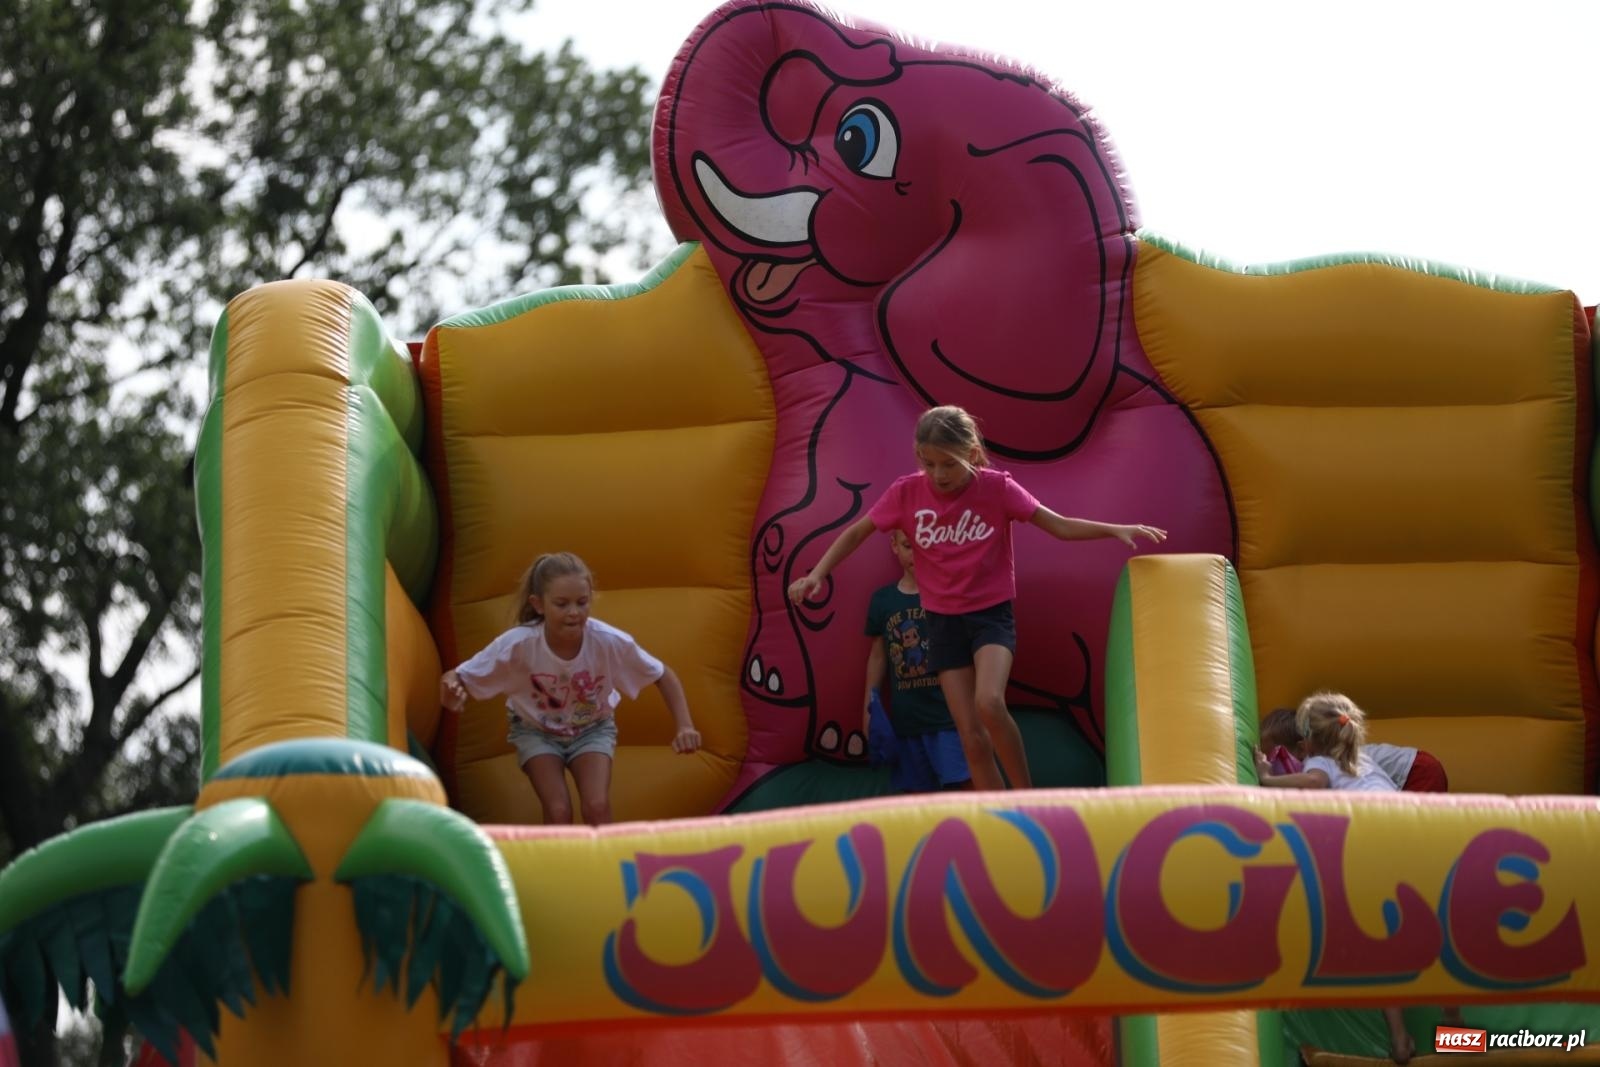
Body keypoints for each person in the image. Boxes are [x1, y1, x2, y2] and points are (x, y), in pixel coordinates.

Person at [788, 404, 1167, 791]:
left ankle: (1027, 796)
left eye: (948, 464)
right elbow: (857, 532)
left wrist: (1115, 529)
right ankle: (999, 812)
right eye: (928, 462)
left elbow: (1059, 526)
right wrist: (816, 574)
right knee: (968, 733)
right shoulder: (906, 493)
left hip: (989, 617)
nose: (938, 474)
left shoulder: (997, 488)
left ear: (971, 453)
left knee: (989, 702)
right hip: (942, 622)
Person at [1254, 691, 1463, 1064]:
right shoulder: (1362, 760)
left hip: (1376, 844)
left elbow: (1314, 785)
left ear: (1305, 744)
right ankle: (1454, 1023)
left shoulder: (1318, 762)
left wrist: (1266, 777)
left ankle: (1400, 1039)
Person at [440, 552, 701, 826]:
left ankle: (606, 865)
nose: (574, 612)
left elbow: (662, 674)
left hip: (593, 728)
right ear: (538, 605)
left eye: (582, 602)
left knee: (596, 805)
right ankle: (557, 867)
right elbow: (457, 675)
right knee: (558, 809)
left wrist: (684, 725)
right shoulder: (518, 644)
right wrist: (451, 689)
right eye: (562, 604)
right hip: (535, 731)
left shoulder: (607, 641)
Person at [865, 529, 972, 792]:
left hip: (948, 720)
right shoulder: (883, 600)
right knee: (916, 799)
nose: (917, 554)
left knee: (962, 787)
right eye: (908, 546)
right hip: (907, 725)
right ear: (894, 546)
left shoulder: (948, 593)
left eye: (923, 546)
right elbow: (878, 656)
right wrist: (869, 705)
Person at [1258, 706, 1449, 792]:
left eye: (1276, 757)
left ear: (1302, 748)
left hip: (1416, 772)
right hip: (1416, 768)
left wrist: (1268, 779)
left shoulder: (1318, 759)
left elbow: (1313, 781)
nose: (1273, 763)